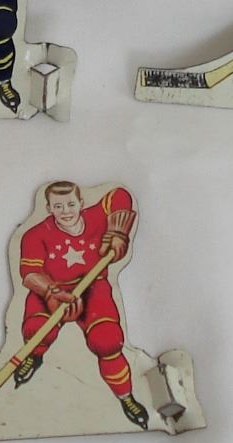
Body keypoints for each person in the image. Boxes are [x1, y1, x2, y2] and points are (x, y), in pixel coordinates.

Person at [13, 181, 151, 428]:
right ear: (49, 208)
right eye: (58, 206)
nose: (66, 211)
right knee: (36, 331)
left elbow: (120, 195)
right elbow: (30, 274)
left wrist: (118, 232)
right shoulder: (35, 235)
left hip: (92, 287)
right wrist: (52, 292)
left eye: (70, 204)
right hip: (51, 288)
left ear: (81, 203)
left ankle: (126, 397)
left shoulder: (96, 217)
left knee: (107, 340)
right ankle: (34, 356)